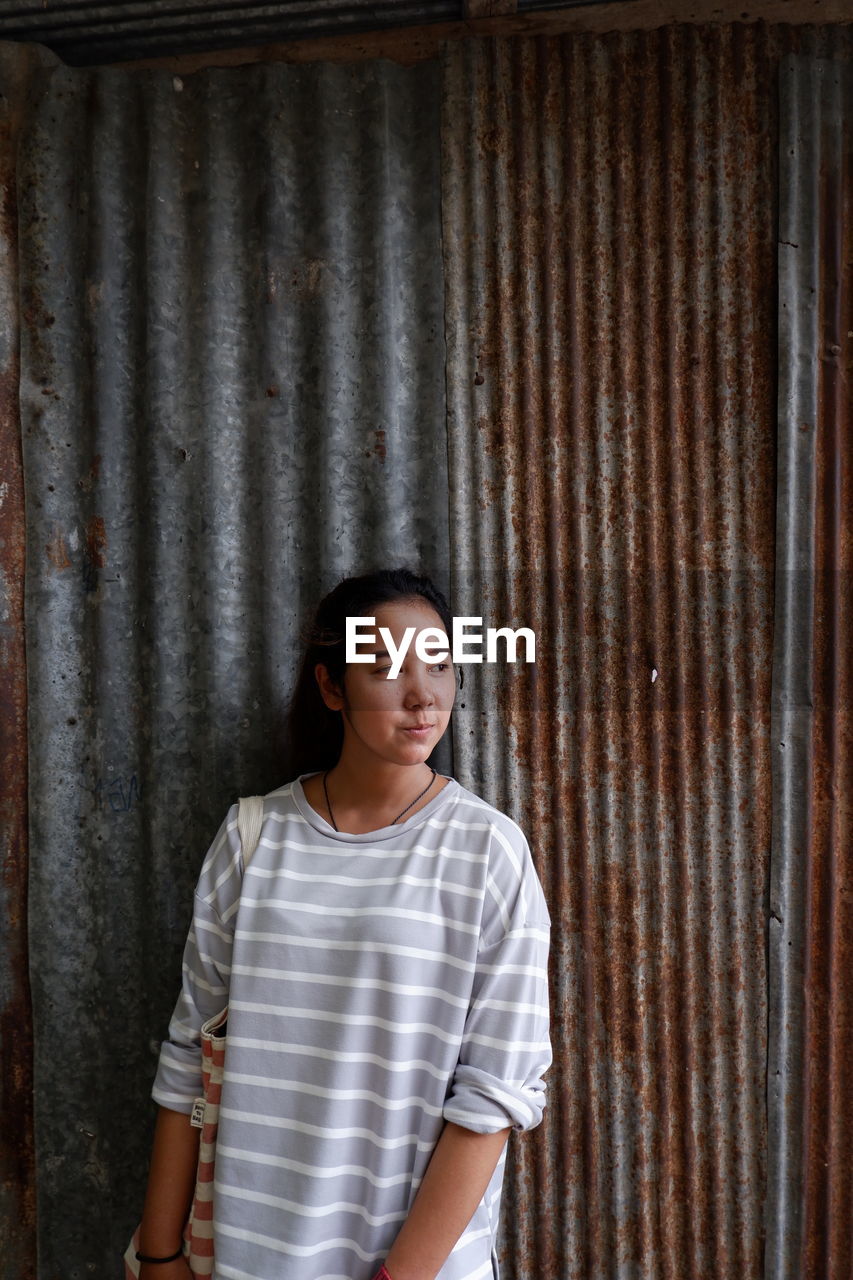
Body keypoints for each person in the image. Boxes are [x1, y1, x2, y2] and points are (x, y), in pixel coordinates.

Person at [134, 568, 551, 1280]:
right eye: (387, 668)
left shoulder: (487, 849)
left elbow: (495, 1097)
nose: (423, 695)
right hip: (246, 1254)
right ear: (332, 688)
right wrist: (158, 1252)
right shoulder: (253, 837)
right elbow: (188, 1060)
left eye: (440, 666)